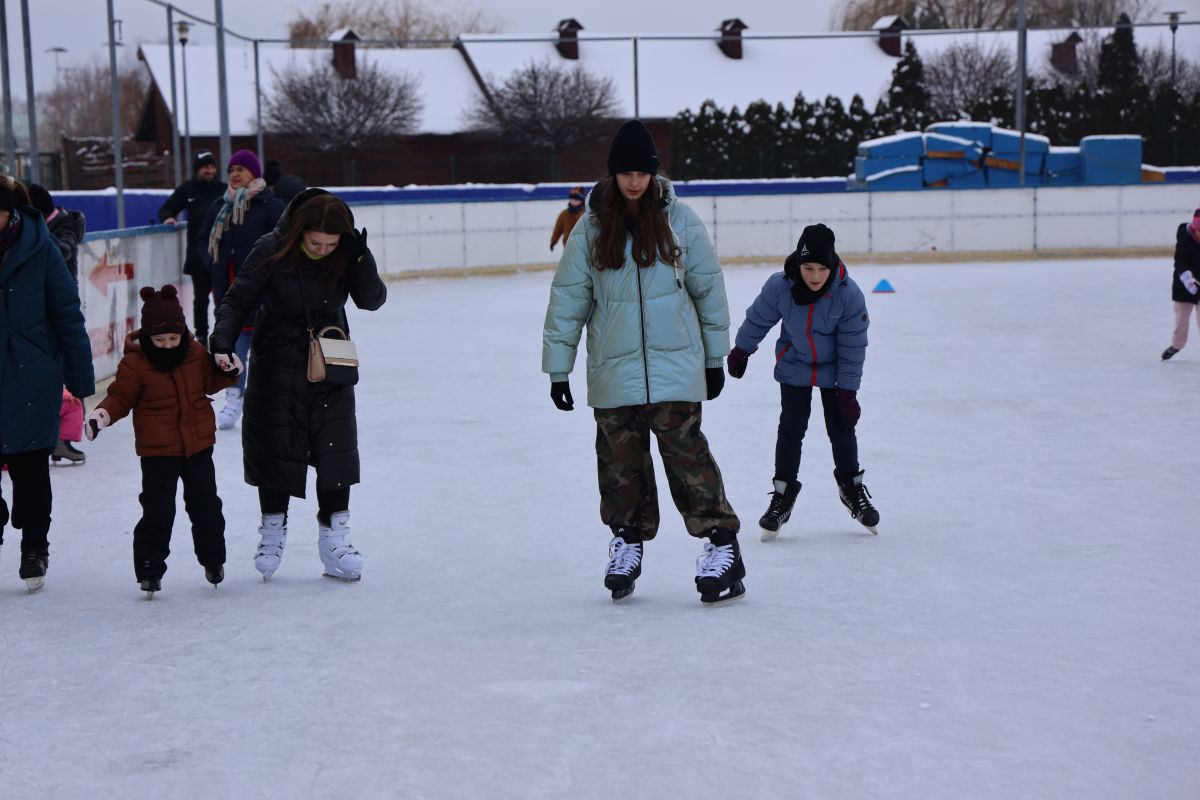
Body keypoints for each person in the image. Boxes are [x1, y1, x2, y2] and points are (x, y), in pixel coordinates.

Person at [541, 119, 744, 605]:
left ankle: (723, 546)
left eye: (642, 173)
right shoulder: (591, 229)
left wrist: (714, 357)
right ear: (612, 174)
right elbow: (568, 301)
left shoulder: (681, 222)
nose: (634, 182)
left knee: (688, 458)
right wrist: (558, 369)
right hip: (614, 370)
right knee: (619, 465)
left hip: (676, 369)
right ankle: (626, 543)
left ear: (654, 173)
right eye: (626, 173)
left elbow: (708, 291)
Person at [210, 189, 386, 583]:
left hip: (331, 356)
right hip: (277, 359)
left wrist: (360, 258)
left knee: (334, 449)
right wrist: (221, 342)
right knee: (275, 446)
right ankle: (272, 532)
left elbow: (372, 300)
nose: (323, 250)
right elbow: (237, 300)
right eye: (314, 243)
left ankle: (335, 538)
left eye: (330, 244)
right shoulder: (271, 249)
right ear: (299, 232)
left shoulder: (347, 253)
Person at [726, 223, 880, 540]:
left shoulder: (848, 295)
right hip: (795, 363)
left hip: (834, 370)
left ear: (832, 265)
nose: (815, 276)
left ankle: (851, 488)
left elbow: (853, 348)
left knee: (841, 428)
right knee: (791, 427)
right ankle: (782, 496)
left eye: (822, 268)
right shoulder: (781, 286)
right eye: (808, 268)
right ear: (798, 264)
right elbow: (759, 318)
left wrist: (848, 393)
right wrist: (742, 349)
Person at [84, 285, 241, 595]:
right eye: (159, 340)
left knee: (206, 506)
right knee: (158, 510)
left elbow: (211, 382)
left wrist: (229, 370)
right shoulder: (135, 363)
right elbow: (120, 397)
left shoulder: (195, 353)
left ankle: (213, 559)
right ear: (147, 336)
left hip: (197, 445)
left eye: (173, 338)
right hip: (158, 450)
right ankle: (149, 569)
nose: (167, 345)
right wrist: (101, 415)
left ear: (181, 332)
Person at [0, 174, 95, 591]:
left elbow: (67, 314)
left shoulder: (42, 249)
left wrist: (79, 378)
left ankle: (34, 547)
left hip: (31, 376)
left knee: (31, 472)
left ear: (9, 213)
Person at [198, 149, 285, 430]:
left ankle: (269, 401)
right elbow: (202, 240)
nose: (235, 174)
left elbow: (284, 242)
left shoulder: (270, 205)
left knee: (267, 351)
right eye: (232, 170)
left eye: (241, 169)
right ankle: (233, 399)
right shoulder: (220, 206)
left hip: (263, 293)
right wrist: (212, 264)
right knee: (233, 349)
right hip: (229, 292)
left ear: (254, 173)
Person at [28, 184, 89, 465]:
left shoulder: (64, 227)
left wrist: (36, 231)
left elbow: (64, 250)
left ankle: (63, 438)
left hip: (60, 309)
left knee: (67, 369)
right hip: (38, 307)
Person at [157, 151, 227, 345]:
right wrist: (168, 218)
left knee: (224, 298)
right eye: (206, 167)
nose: (210, 171)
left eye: (212, 167)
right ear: (197, 169)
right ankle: (202, 336)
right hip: (198, 255)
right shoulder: (188, 189)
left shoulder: (224, 189)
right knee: (201, 298)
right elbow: (167, 208)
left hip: (222, 254)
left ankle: (223, 334)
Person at [1163, 207, 1200, 361]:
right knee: (1181, 320)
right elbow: (1179, 261)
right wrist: (1187, 279)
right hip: (1183, 286)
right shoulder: (1185, 237)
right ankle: (1177, 345)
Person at [28, 183, 85, 284]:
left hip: (63, 289)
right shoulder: (49, 225)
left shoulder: (66, 226)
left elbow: (66, 250)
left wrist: (41, 234)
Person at [549, 186, 585, 251]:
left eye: (576, 200)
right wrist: (553, 241)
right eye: (572, 199)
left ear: (581, 201)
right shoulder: (564, 214)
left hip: (583, 246)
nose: (573, 201)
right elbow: (558, 228)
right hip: (568, 245)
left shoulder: (585, 214)